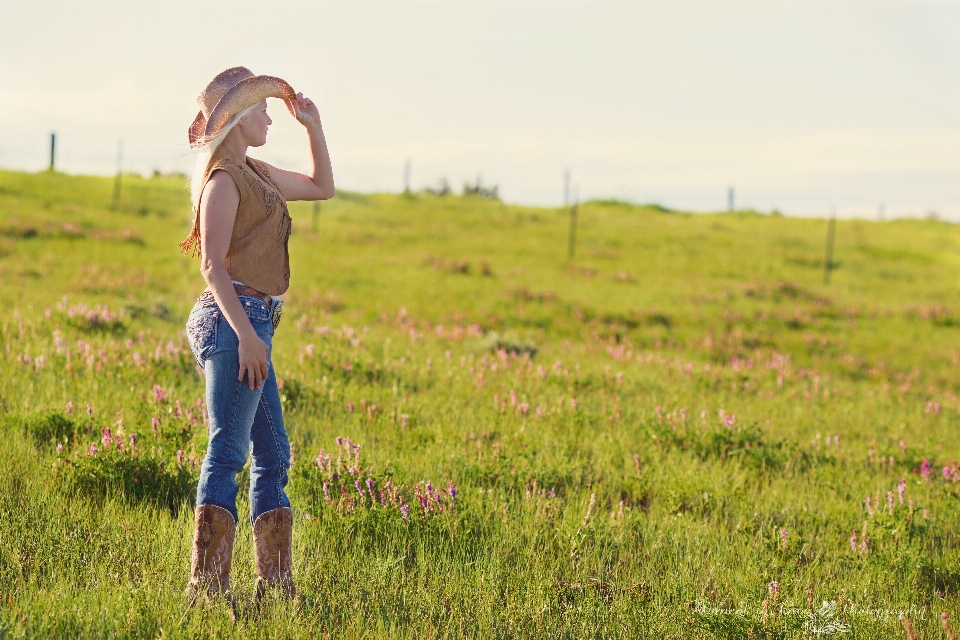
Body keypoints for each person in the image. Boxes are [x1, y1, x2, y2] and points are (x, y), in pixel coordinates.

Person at [180, 66, 334, 604]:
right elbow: (212, 267)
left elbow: (322, 188)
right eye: (264, 109)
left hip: (254, 321)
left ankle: (275, 586)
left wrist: (313, 127)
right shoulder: (222, 180)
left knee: (274, 454)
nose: (271, 115)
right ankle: (207, 588)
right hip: (231, 321)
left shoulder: (258, 171)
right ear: (241, 119)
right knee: (227, 451)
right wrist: (247, 337)